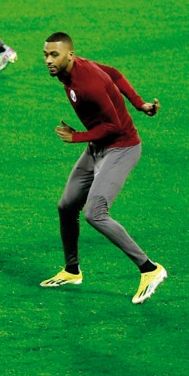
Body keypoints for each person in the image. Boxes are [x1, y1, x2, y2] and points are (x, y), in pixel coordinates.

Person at [40, 32, 167, 304]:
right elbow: (114, 73)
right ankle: (72, 270)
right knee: (66, 206)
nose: (48, 61)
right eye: (46, 55)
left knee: (95, 213)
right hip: (97, 148)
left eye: (54, 55)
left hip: (121, 148)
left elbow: (115, 127)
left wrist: (76, 137)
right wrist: (139, 103)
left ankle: (150, 269)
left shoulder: (88, 84)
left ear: (70, 55)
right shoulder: (72, 71)